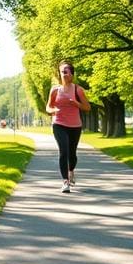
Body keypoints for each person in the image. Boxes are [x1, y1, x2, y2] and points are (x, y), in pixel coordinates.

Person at [46, 61, 91, 193]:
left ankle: (71, 170)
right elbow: (48, 106)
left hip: (75, 126)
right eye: (62, 71)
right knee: (63, 151)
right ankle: (65, 182)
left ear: (72, 74)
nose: (63, 73)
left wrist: (77, 104)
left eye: (66, 71)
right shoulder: (55, 90)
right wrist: (52, 110)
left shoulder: (78, 90)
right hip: (59, 124)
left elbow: (87, 107)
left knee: (72, 155)